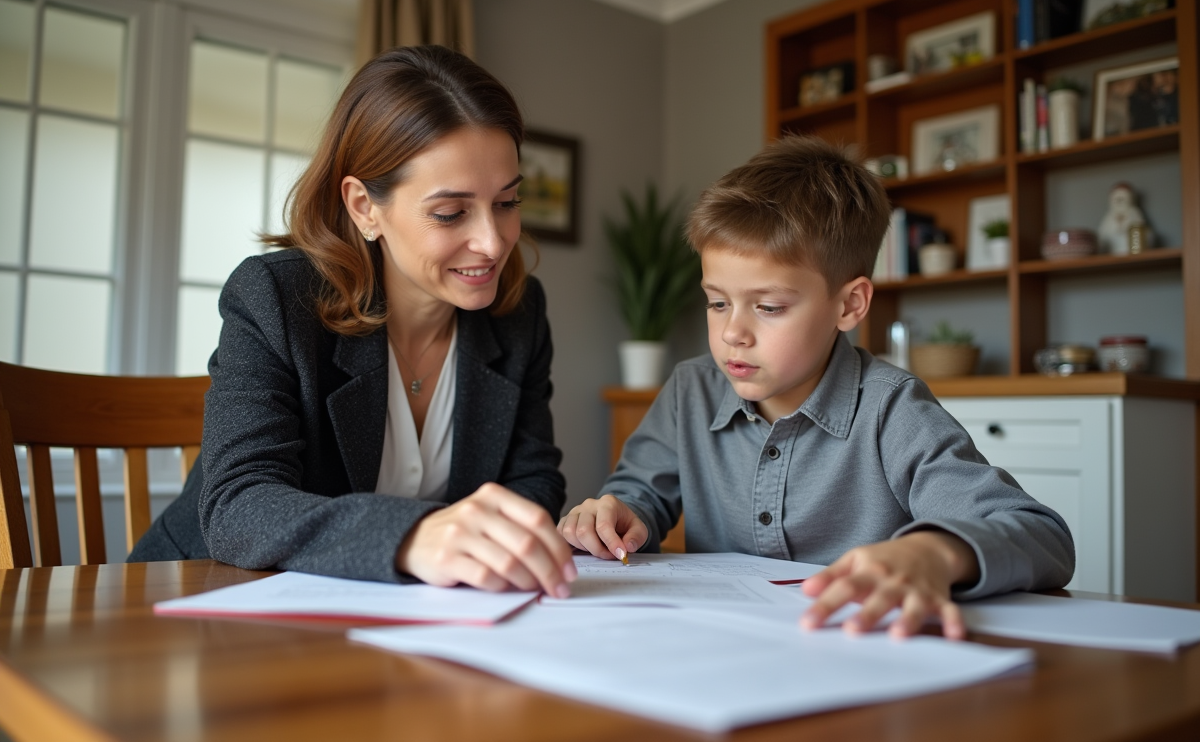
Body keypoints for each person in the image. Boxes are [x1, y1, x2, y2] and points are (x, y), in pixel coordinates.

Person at [558, 136, 1074, 639]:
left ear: (849, 305)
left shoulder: (891, 408)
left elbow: (1041, 535)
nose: (733, 331)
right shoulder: (690, 389)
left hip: (861, 650)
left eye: (769, 306)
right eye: (717, 302)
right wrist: (615, 514)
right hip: (724, 648)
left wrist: (935, 553)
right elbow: (639, 493)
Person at [131, 46, 577, 598]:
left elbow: (533, 478)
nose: (492, 242)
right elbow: (238, 503)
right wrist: (412, 537)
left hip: (397, 617)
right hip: (198, 599)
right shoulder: (276, 297)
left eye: (507, 202)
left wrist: (493, 547)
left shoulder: (520, 313)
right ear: (365, 206)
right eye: (450, 212)